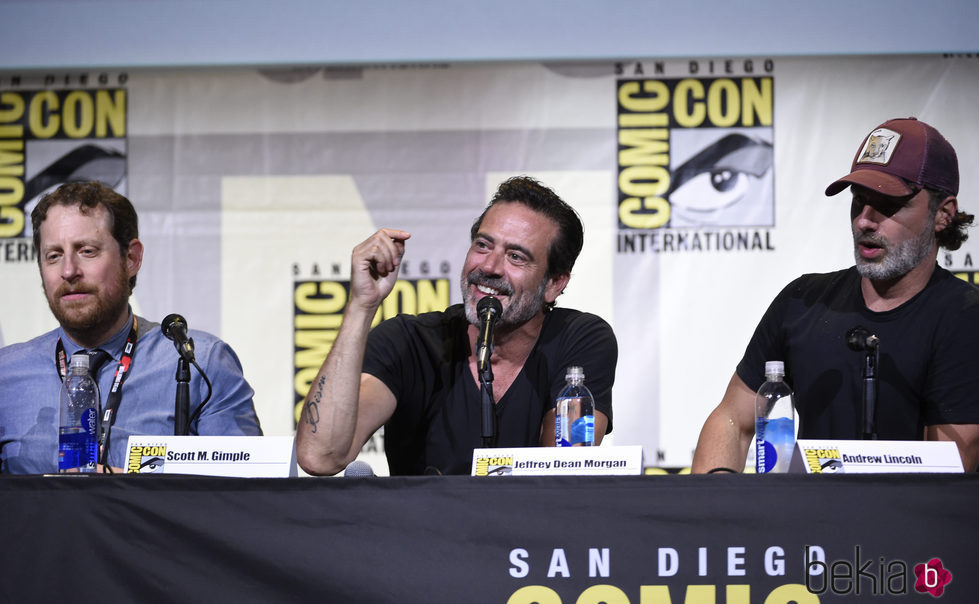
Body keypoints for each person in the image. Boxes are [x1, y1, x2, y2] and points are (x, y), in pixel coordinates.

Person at [692, 117, 979, 473]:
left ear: (943, 214)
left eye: (889, 205)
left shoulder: (965, 317)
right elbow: (731, 422)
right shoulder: (803, 300)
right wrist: (718, 509)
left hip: (906, 526)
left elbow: (951, 468)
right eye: (859, 202)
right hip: (805, 524)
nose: (864, 221)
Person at [296, 176, 617, 475]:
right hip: (420, 534)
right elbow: (321, 457)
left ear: (554, 283)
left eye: (516, 256)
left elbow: (567, 476)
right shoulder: (409, 341)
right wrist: (361, 306)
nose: (489, 267)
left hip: (528, 534)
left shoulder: (580, 339)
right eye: (483, 245)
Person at [0, 181, 262, 474]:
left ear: (131, 258)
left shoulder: (199, 363)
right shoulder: (6, 375)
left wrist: (129, 487)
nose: (68, 271)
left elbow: (247, 495)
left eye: (86, 251)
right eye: (54, 255)